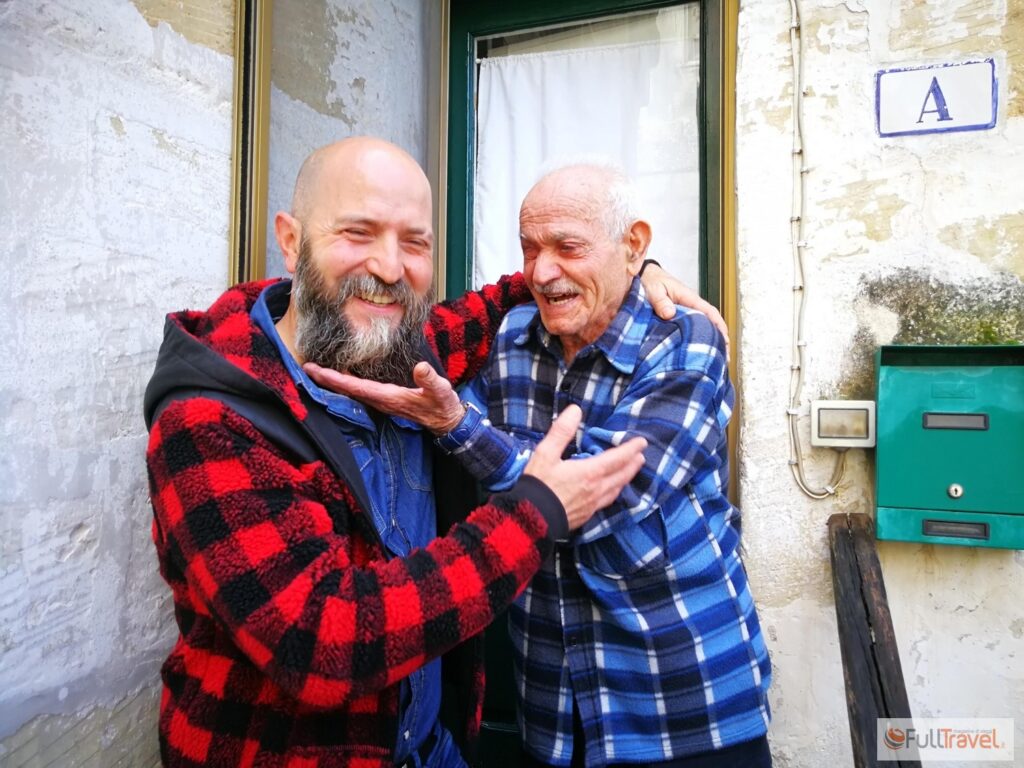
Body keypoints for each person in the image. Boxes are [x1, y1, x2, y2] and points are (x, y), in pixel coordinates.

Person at [143, 137, 708, 768]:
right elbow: (320, 641)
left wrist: (637, 269)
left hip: (431, 750)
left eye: (414, 242)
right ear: (291, 240)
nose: (389, 267)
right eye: (358, 232)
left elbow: (516, 292)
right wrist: (533, 511)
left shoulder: (405, 349)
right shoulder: (212, 419)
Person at [307, 162, 772, 767]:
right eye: (529, 249)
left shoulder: (686, 342)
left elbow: (606, 493)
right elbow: (382, 341)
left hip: (684, 703)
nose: (543, 271)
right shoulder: (511, 333)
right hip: (550, 710)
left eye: (568, 247)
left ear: (633, 246)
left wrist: (458, 427)